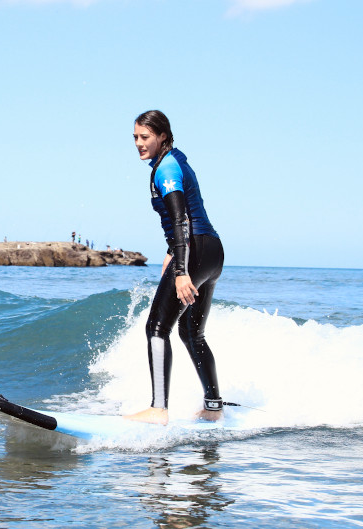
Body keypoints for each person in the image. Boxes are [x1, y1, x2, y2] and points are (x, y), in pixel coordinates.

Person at [124, 110, 225, 425]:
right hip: (212, 252)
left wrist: (181, 270)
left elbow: (181, 219)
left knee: (157, 328)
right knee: (192, 332)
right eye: (135, 138)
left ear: (162, 136)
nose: (139, 144)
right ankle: (213, 406)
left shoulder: (166, 168)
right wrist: (174, 252)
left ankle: (158, 409)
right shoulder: (176, 161)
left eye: (145, 137)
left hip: (194, 251)